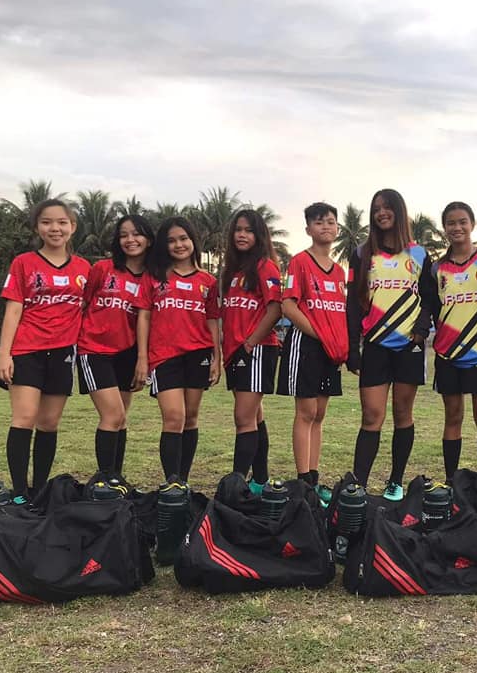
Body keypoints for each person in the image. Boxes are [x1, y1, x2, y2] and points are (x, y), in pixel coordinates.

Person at [0, 199, 90, 503]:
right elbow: (13, 311)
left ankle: (39, 490)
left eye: (62, 222)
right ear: (38, 227)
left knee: (49, 423)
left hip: (63, 352)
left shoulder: (84, 268)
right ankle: (19, 493)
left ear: (72, 227)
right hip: (27, 350)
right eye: (47, 222)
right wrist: (4, 354)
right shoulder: (24, 262)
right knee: (24, 418)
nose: (55, 228)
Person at [346, 189, 434, 500]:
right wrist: (352, 346)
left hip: (408, 347)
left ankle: (395, 481)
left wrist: (421, 332)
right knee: (371, 415)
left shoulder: (420, 255)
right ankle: (358, 484)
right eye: (376, 208)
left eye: (387, 208)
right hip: (375, 345)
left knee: (402, 414)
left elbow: (430, 298)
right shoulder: (361, 253)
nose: (381, 213)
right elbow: (353, 303)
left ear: (399, 211)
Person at [135, 217, 220, 482]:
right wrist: (141, 357)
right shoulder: (154, 277)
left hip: (198, 354)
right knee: (174, 417)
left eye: (183, 238)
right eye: (171, 240)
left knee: (191, 418)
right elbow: (144, 316)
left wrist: (218, 356)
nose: (179, 245)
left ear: (193, 241)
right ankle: (171, 482)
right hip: (164, 356)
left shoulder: (208, 280)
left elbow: (212, 320)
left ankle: (182, 481)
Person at [277, 202, 349, 503]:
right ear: (308, 229)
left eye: (331, 222)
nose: (326, 227)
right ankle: (302, 480)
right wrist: (319, 333)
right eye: (319, 223)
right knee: (305, 412)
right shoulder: (300, 262)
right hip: (305, 346)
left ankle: (314, 477)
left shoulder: (340, 272)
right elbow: (288, 305)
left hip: (330, 352)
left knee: (319, 414)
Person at [430, 202, 477, 482]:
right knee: (452, 418)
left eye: (462, 221)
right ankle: (451, 480)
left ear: (472, 224)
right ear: (445, 228)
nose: (457, 227)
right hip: (447, 353)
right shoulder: (437, 267)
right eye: (451, 223)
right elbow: (431, 306)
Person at [77, 214, 153, 481]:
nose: (130, 240)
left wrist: (142, 359)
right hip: (94, 349)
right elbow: (82, 304)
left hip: (127, 353)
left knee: (120, 419)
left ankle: (116, 480)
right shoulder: (103, 269)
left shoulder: (153, 278)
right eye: (123, 235)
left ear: (149, 238)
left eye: (137, 234)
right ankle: (104, 481)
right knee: (113, 415)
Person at [220, 209, 282, 493]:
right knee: (254, 416)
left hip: (255, 350)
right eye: (238, 230)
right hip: (236, 351)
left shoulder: (265, 266)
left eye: (248, 230)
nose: (242, 235)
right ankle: (259, 481)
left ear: (259, 236)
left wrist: (251, 342)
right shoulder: (233, 272)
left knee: (243, 419)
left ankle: (236, 484)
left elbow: (275, 307)